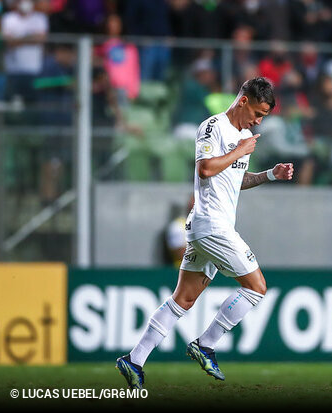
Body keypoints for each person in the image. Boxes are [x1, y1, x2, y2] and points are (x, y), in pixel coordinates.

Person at [116, 77, 294, 389]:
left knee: (183, 299)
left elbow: (236, 180)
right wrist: (239, 151)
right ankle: (206, 344)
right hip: (212, 225)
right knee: (256, 287)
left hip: (210, 227)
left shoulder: (245, 136)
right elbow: (206, 169)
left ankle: (134, 359)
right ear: (243, 101)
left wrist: (270, 174)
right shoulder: (213, 127)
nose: (259, 120)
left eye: (263, 115)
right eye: (258, 112)